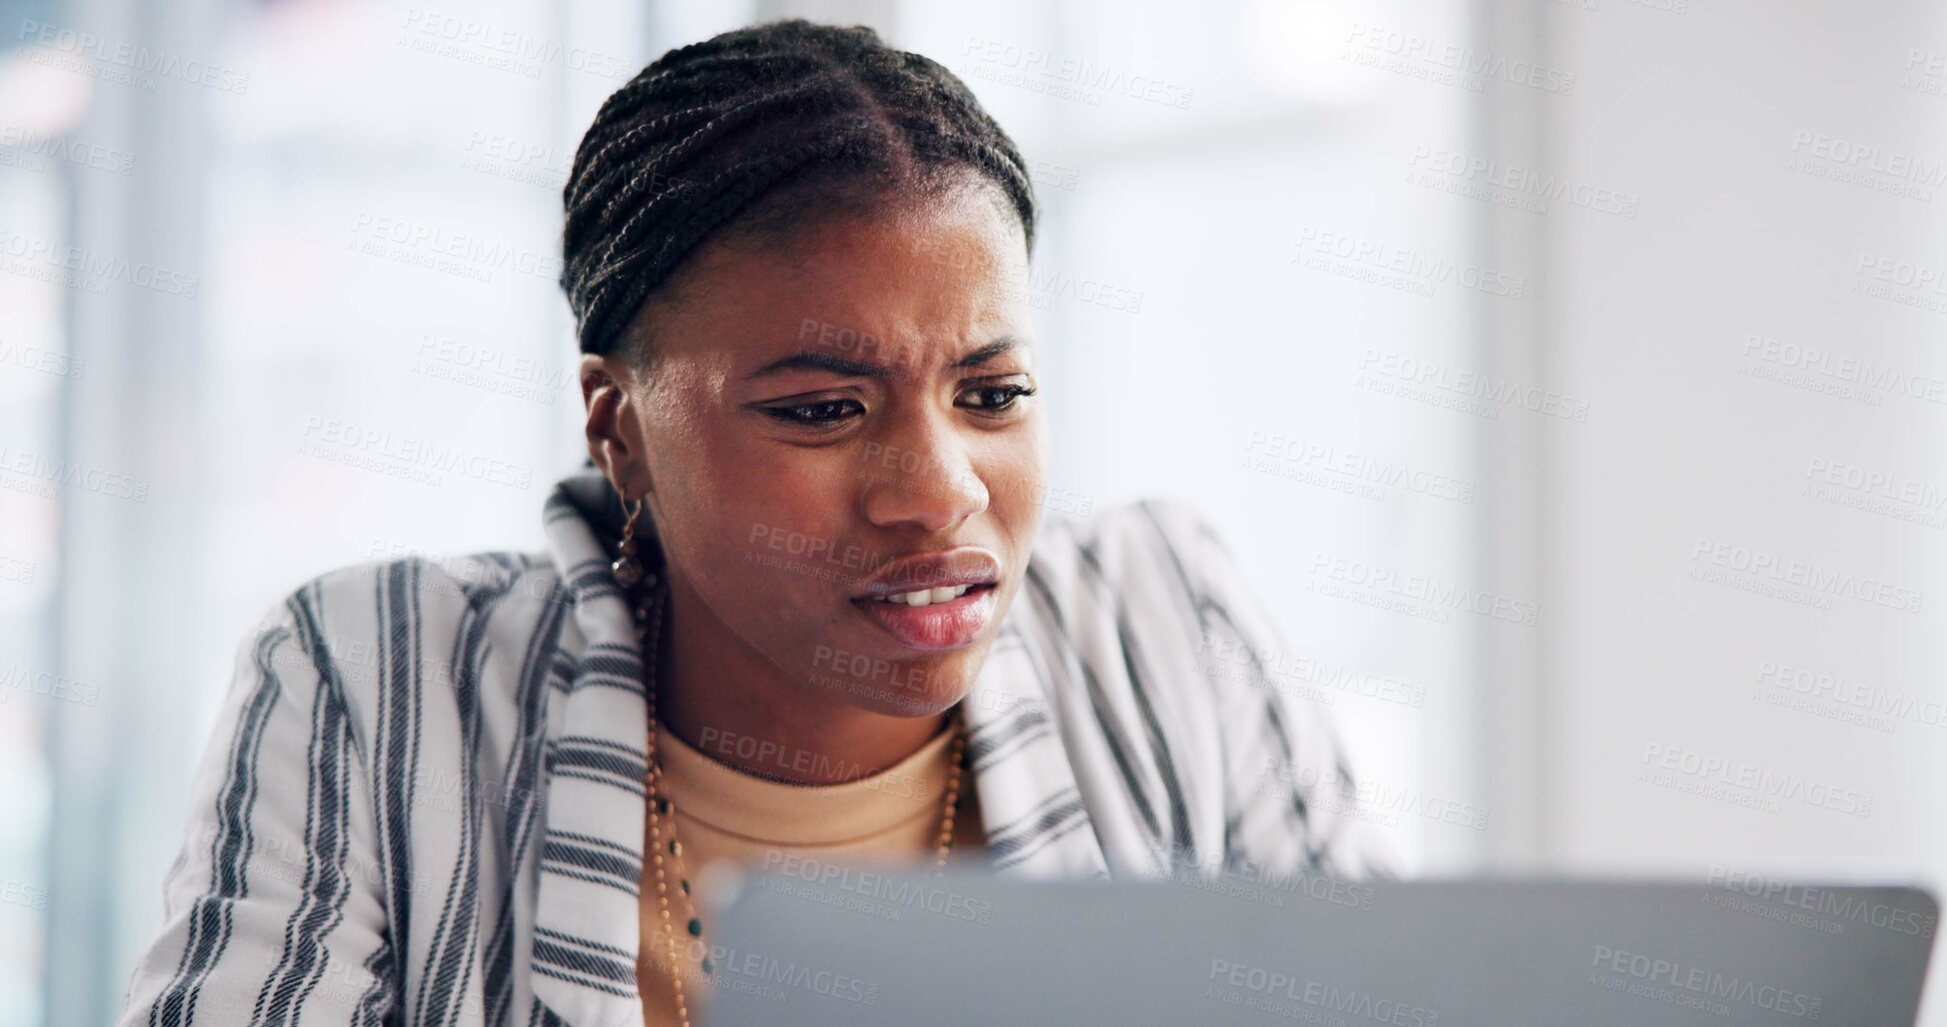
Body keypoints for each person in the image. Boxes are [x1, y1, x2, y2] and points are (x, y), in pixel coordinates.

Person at [116, 18, 1397, 1027]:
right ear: (619, 429)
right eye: (825, 409)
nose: (939, 488)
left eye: (992, 393)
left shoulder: (1160, 619)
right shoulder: (382, 675)